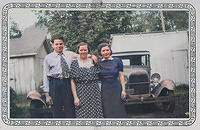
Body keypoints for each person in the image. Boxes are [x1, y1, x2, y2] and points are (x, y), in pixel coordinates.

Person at [43, 36, 76, 118]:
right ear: (52, 45)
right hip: (55, 83)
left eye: (61, 44)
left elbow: (82, 55)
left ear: (63, 44)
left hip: (67, 83)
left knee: (70, 108)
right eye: (56, 44)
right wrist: (47, 95)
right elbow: (45, 76)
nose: (59, 46)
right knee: (57, 109)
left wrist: (91, 56)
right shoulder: (48, 58)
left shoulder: (70, 54)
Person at [70, 42, 103, 118]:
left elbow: (100, 75)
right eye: (81, 50)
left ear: (88, 50)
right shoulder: (74, 63)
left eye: (85, 50)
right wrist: (75, 97)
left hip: (95, 92)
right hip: (81, 93)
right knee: (82, 114)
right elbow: (72, 81)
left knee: (96, 114)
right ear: (78, 51)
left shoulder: (94, 61)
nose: (83, 52)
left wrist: (92, 57)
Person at [98, 43, 127, 118]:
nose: (106, 52)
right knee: (107, 110)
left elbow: (121, 76)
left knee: (118, 109)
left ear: (110, 51)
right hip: (105, 89)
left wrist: (123, 90)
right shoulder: (98, 62)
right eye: (103, 51)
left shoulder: (117, 60)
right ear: (100, 53)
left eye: (107, 50)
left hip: (116, 88)